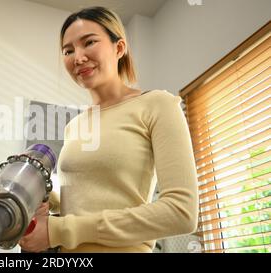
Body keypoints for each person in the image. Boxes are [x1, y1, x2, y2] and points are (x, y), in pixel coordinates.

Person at [19, 6, 199, 253]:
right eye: (68, 50)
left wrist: (58, 230)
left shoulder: (157, 104)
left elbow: (182, 212)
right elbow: (83, 206)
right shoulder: (75, 126)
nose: (78, 57)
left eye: (89, 42)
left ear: (119, 48)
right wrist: (38, 195)